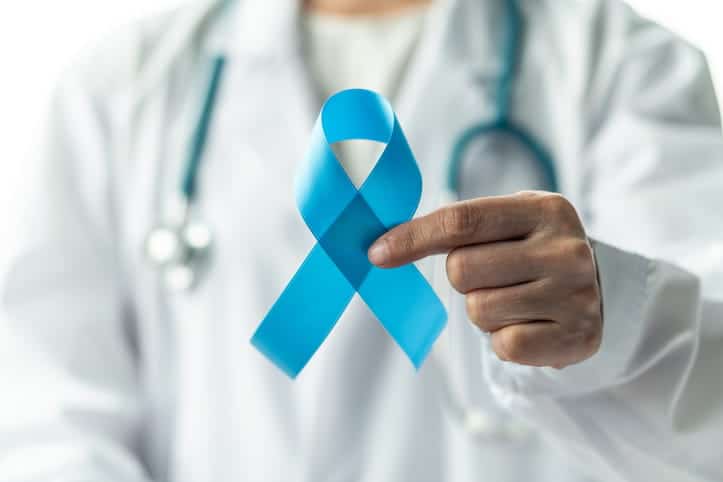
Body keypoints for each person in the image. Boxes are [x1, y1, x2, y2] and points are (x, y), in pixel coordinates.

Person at [1, 0, 722, 480]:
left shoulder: (622, 67)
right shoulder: (122, 89)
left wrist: (613, 315)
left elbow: (705, 391)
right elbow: (45, 416)